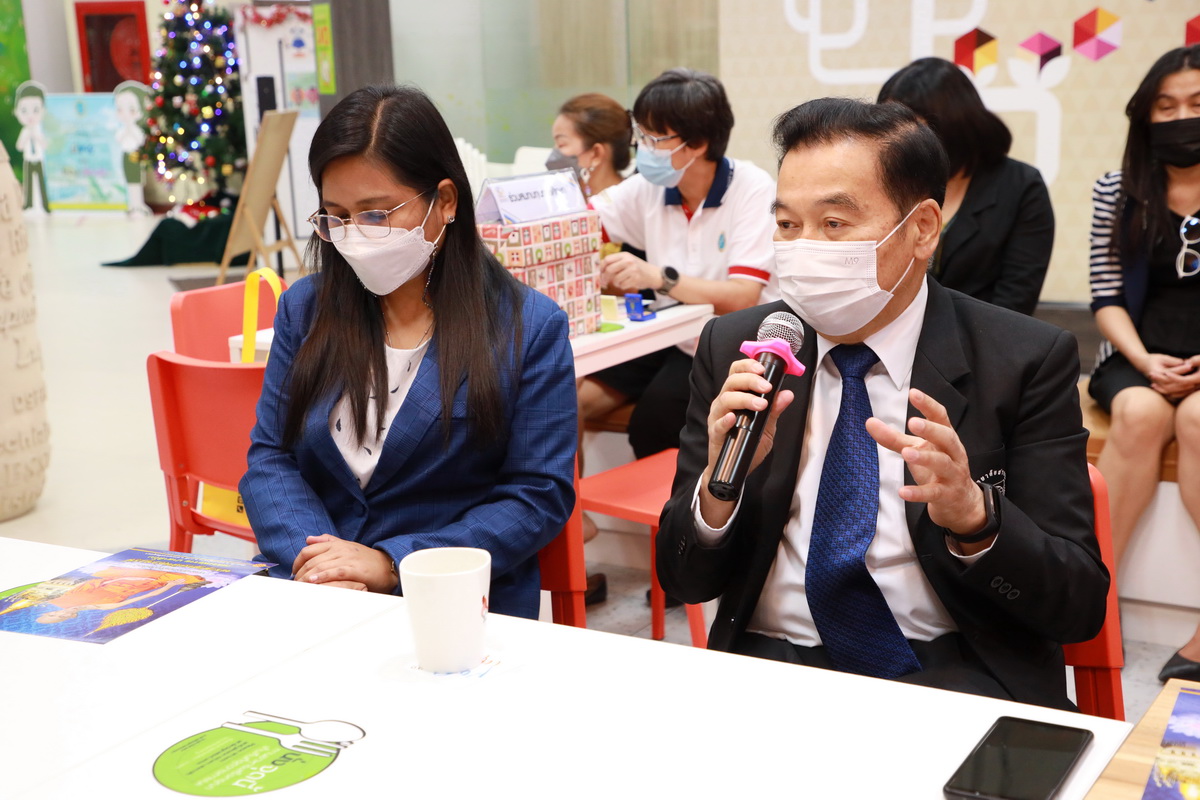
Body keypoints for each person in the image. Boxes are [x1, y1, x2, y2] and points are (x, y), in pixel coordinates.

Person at [656, 97, 1108, 709]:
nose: (804, 248)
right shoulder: (739, 346)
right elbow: (683, 579)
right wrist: (719, 488)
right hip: (773, 665)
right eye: (787, 225)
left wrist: (975, 517)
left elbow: (1078, 605)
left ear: (921, 229)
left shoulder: (1022, 358)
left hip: (949, 668)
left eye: (834, 224)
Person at [240, 85, 578, 620]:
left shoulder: (528, 328)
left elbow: (536, 496)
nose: (354, 236)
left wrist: (393, 562)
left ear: (445, 202)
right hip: (314, 590)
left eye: (376, 215)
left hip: (451, 602)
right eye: (336, 216)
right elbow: (270, 458)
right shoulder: (305, 309)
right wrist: (323, 565)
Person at [585, 68, 777, 461]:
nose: (643, 149)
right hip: (674, 336)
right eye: (641, 135)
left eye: (656, 139)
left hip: (736, 345)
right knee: (571, 400)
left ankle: (689, 500)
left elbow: (743, 297)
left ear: (699, 143)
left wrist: (659, 277)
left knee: (654, 423)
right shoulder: (649, 187)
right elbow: (581, 222)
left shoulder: (752, 189)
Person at [1085, 45, 1200, 682]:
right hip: (1136, 353)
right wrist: (1144, 361)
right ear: (1146, 115)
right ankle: (1091, 603)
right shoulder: (1117, 190)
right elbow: (1105, 297)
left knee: (1197, 420)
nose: (1182, 117)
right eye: (1167, 106)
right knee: (1137, 414)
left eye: (1196, 104)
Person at [878, 57, 1053, 316]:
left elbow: (1016, 298)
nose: (900, 143)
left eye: (914, 130)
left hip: (983, 334)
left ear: (954, 123)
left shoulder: (1021, 186)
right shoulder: (891, 182)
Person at [546, 92, 632, 199]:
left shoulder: (633, 203)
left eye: (561, 144)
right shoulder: (556, 201)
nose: (555, 152)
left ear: (596, 153)